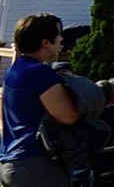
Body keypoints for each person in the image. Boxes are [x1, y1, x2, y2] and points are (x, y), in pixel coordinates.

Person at [1, 14, 80, 186]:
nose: (61, 39)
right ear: (45, 42)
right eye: (58, 34)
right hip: (35, 165)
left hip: (11, 160)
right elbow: (68, 116)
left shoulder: (15, 70)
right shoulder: (39, 73)